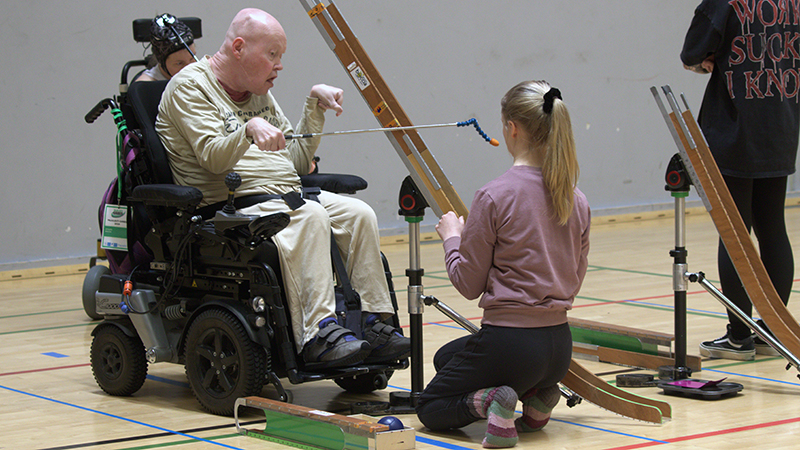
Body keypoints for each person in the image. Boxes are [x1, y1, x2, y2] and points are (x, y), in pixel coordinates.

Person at [156, 8, 410, 369]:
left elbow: (297, 161)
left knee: (358, 214)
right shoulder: (189, 87)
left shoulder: (258, 91)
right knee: (309, 217)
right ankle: (318, 334)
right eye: (272, 54)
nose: (278, 65)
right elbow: (213, 158)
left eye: (281, 57)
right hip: (226, 205)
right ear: (239, 47)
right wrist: (247, 130)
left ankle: (372, 323)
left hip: (281, 194)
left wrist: (315, 108)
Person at [415, 81, 590, 448]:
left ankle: (494, 400)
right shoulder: (577, 199)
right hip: (558, 348)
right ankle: (539, 400)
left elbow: (468, 284)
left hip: (511, 345)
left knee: (431, 406)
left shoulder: (496, 194)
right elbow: (574, 278)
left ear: (512, 128)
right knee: (447, 358)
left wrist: (452, 238)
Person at [681, 1, 799, 360]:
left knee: (734, 229)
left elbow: (691, 53)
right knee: (771, 223)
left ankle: (738, 336)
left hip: (734, 126)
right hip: (781, 120)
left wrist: (704, 61)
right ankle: (773, 331)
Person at [135, 14, 197, 82]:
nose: (189, 69)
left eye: (192, 59)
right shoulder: (145, 87)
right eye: (179, 63)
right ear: (162, 62)